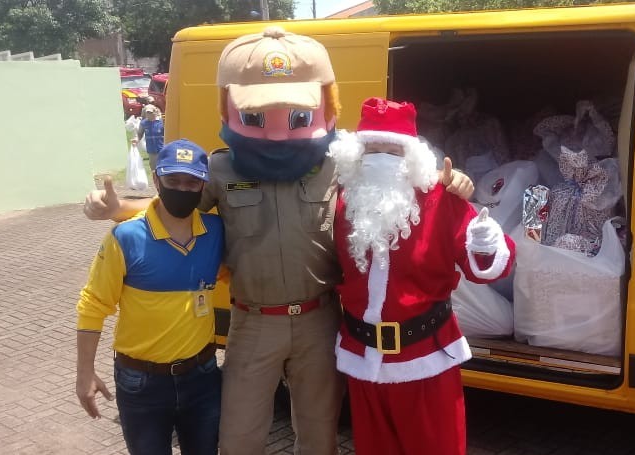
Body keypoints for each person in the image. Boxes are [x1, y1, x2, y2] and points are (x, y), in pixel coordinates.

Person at [83, 26, 475, 455]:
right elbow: (174, 208)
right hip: (253, 322)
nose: (275, 131)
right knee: (240, 436)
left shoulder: (337, 167)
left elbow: (398, 183)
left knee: (319, 434)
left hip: (319, 320)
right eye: (254, 116)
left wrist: (452, 182)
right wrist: (118, 208)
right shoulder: (223, 169)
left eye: (297, 115)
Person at [327, 97, 514, 455]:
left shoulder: (441, 199)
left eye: (393, 149)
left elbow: (488, 268)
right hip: (363, 361)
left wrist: (487, 242)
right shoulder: (340, 202)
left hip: (427, 360)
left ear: (411, 156)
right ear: (357, 153)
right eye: (373, 148)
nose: (381, 157)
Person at [75, 139, 224, 455]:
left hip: (202, 378)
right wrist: (84, 374)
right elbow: (93, 304)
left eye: (191, 182)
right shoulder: (126, 237)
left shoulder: (216, 232)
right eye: (173, 181)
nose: (182, 189)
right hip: (141, 382)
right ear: (157, 180)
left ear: (203, 185)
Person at [138, 104, 165, 172]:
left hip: (162, 149)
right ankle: (155, 181)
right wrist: (136, 139)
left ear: (155, 112)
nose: (148, 115)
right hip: (151, 150)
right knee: (153, 168)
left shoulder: (162, 122)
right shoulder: (144, 123)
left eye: (150, 113)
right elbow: (139, 134)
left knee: (162, 167)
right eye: (147, 113)